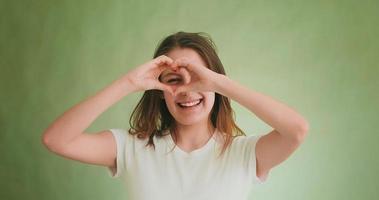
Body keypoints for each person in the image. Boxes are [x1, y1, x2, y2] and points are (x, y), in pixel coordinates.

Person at [41, 31, 309, 200]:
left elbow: (297, 130)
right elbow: (56, 140)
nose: (187, 90)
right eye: (174, 80)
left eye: (199, 78)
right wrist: (129, 83)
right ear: (159, 90)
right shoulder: (131, 147)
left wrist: (220, 83)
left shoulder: (244, 153)